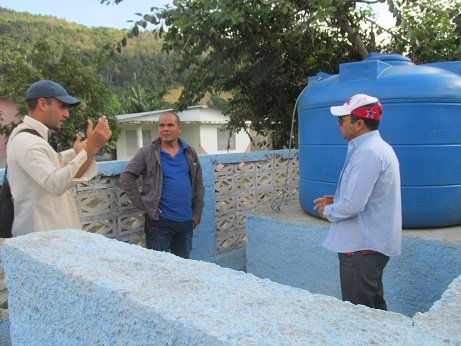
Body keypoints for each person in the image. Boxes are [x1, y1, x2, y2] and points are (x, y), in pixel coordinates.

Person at [313, 94, 402, 310]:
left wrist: (328, 211)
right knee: (374, 306)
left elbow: (353, 205)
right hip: (368, 245)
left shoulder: (368, 152)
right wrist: (340, 199)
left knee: (359, 312)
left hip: (361, 247)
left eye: (342, 119)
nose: (338, 124)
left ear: (359, 123)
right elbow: (367, 195)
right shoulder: (372, 148)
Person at [7, 79, 112, 236]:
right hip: (41, 239)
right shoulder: (27, 142)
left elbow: (53, 164)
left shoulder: (33, 138)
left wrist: (80, 151)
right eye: (62, 107)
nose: (66, 114)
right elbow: (54, 183)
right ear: (42, 104)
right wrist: (91, 148)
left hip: (52, 237)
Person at [120, 111, 204, 259]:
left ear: (179, 128)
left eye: (170, 125)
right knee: (159, 266)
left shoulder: (189, 152)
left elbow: (198, 183)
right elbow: (127, 176)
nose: (165, 129)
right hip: (159, 223)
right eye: (162, 125)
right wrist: (142, 204)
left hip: (186, 221)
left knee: (184, 266)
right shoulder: (147, 152)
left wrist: (197, 212)